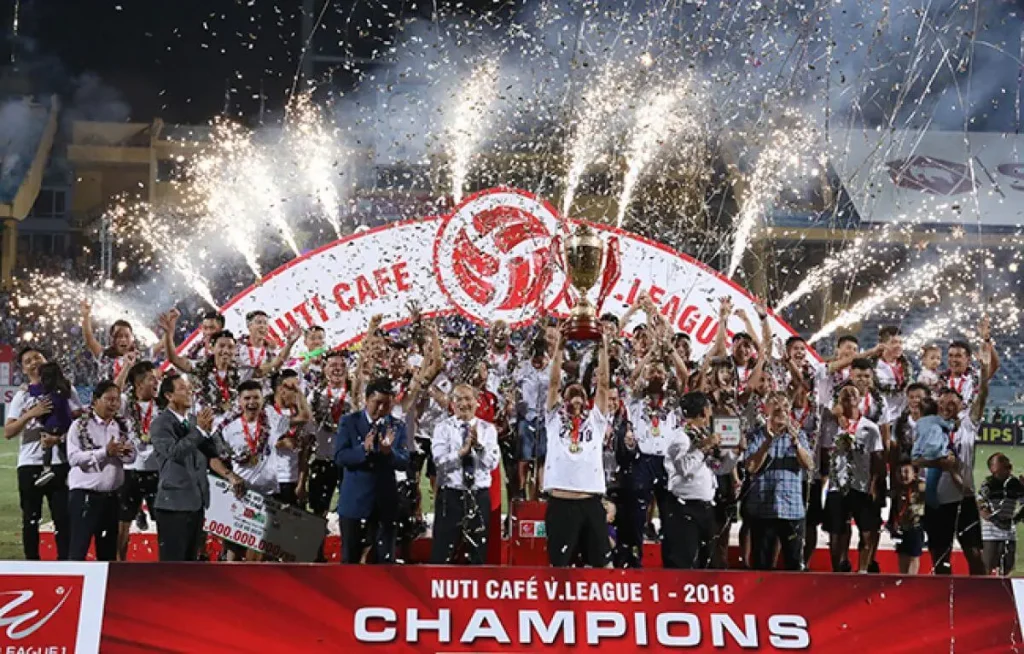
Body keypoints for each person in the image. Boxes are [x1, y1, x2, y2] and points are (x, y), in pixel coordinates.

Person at [918, 334, 991, 576]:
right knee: (940, 557)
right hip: (937, 498)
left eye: (953, 402)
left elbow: (983, 394)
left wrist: (984, 367)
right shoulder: (931, 427)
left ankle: (980, 594)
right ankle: (942, 597)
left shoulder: (969, 423)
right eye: (943, 403)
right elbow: (917, 459)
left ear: (961, 405)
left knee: (974, 554)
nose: (947, 406)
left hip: (964, 496)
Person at [150, 374, 244, 562]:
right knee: (173, 564)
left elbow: (212, 454)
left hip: (196, 502)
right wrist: (199, 431)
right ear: (169, 395)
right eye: (182, 388)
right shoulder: (160, 423)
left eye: (189, 388)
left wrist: (210, 434)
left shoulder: (194, 421)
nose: (189, 392)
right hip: (173, 505)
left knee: (191, 563)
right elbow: (174, 452)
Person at [542, 329, 612, 568]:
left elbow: (604, 385)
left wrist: (603, 348)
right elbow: (553, 383)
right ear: (563, 398)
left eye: (580, 393)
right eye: (571, 392)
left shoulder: (595, 420)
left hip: (590, 501)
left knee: (601, 566)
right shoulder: (554, 419)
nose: (576, 396)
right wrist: (560, 348)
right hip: (560, 502)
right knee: (559, 566)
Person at [4, 347, 72, 560]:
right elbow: (8, 431)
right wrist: (31, 414)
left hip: (59, 461)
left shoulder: (65, 388)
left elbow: (78, 421)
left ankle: (65, 565)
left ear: (45, 360)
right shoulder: (22, 395)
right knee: (31, 519)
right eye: (28, 361)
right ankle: (31, 563)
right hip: (30, 463)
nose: (34, 362)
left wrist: (59, 439)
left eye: (37, 357)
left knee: (63, 518)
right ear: (24, 370)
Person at [334, 377, 410, 564]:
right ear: (366, 399)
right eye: (377, 403)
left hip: (384, 504)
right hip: (355, 503)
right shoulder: (349, 422)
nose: (381, 409)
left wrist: (389, 452)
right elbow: (340, 457)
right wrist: (363, 450)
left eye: (387, 404)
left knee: (384, 562)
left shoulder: (397, 426)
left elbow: (404, 461)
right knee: (350, 561)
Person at [662, 391, 737, 569]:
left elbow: (719, 469)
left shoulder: (703, 435)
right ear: (704, 411)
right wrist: (704, 447)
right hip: (684, 508)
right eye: (709, 409)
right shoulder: (680, 437)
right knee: (685, 562)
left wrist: (734, 453)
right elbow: (685, 468)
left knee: (708, 563)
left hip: (705, 507)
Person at [212, 380, 284, 561]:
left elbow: (303, 418)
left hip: (268, 495)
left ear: (262, 399)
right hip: (240, 495)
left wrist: (295, 393)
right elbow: (213, 459)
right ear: (239, 401)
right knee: (233, 552)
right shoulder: (227, 427)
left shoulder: (274, 421)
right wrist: (230, 476)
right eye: (247, 398)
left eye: (256, 398)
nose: (252, 402)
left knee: (258, 548)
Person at [430, 384, 501, 564]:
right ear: (452, 404)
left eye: (468, 398)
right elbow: (439, 462)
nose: (463, 404)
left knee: (477, 552)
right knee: (443, 551)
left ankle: (475, 582)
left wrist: (478, 447)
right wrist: (461, 453)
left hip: (478, 496)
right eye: (458, 399)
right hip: (451, 495)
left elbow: (492, 463)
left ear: (477, 402)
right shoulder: (442, 428)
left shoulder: (487, 429)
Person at [743, 391, 814, 570]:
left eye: (785, 407)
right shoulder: (757, 435)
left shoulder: (799, 435)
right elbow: (751, 467)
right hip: (763, 509)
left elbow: (809, 464)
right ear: (766, 410)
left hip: (792, 510)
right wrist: (767, 442)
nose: (781, 410)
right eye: (776, 406)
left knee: (793, 565)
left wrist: (796, 444)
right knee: (761, 565)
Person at [66, 380, 136, 561]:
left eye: (117, 400)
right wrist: (104, 453)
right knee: (78, 549)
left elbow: (131, 458)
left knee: (107, 554)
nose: (114, 404)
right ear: (95, 400)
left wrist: (125, 453)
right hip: (85, 497)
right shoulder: (80, 425)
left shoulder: (121, 426)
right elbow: (73, 458)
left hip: (112, 497)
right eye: (109, 399)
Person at [824, 385, 884, 572]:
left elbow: (877, 458)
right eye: (845, 394)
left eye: (853, 393)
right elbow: (824, 453)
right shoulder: (831, 426)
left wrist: (874, 485)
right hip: (837, 485)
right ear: (839, 401)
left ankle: (863, 569)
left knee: (866, 531)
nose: (849, 396)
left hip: (861, 485)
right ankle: (838, 569)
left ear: (860, 400)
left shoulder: (870, 428)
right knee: (836, 532)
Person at [118, 361, 161, 561]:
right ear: (138, 384)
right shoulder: (125, 403)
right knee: (122, 523)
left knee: (163, 522)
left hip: (156, 470)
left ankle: (166, 567)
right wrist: (126, 367)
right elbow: (114, 392)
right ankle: (118, 565)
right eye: (152, 379)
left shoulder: (162, 404)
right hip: (130, 470)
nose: (156, 382)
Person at [513, 336, 553, 499]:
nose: (538, 362)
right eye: (535, 358)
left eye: (540, 358)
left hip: (545, 416)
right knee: (525, 455)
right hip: (527, 415)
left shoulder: (552, 369)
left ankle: (541, 488)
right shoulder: (523, 368)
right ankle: (522, 488)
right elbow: (512, 387)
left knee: (543, 455)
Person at [266, 369, 313, 505]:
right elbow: (260, 442)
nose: (298, 392)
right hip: (270, 477)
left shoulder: (297, 412)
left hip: (291, 479)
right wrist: (281, 443)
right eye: (294, 388)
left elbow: (304, 452)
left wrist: (302, 481)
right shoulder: (267, 412)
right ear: (281, 390)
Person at [28, 362, 76, 487]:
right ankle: (72, 472)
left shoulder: (47, 389)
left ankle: (46, 469)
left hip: (52, 424)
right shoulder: (65, 387)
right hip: (66, 424)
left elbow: (33, 390)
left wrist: (27, 387)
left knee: (46, 441)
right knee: (66, 450)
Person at [977, 452, 1024, 576]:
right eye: (1004, 466)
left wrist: (1015, 520)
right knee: (987, 566)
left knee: (1007, 566)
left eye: (1009, 466)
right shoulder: (988, 484)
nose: (1009, 469)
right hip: (990, 533)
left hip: (1009, 532)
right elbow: (981, 505)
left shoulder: (1015, 484)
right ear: (993, 469)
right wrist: (996, 521)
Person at [910, 396, 955, 509]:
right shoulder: (937, 419)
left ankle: (930, 505)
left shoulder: (919, 423)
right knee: (932, 484)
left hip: (923, 453)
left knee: (929, 484)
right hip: (937, 454)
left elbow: (917, 438)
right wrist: (952, 421)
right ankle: (934, 506)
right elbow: (950, 426)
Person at [890, 458, 926, 574]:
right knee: (902, 555)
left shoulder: (919, 488)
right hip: (902, 528)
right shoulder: (897, 490)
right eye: (899, 472)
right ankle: (903, 577)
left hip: (915, 527)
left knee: (913, 556)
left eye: (906, 471)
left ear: (914, 474)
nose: (902, 475)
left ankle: (911, 578)